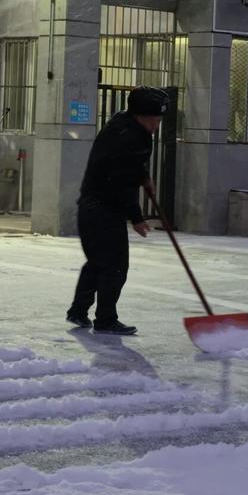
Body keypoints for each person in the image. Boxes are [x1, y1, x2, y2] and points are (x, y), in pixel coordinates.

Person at [66, 85, 169, 335]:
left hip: (92, 207)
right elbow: (121, 181)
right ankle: (105, 320)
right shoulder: (130, 137)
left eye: (159, 120)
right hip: (104, 210)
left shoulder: (122, 127)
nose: (156, 126)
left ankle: (79, 311)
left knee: (98, 263)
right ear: (140, 116)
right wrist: (136, 217)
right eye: (153, 120)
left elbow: (129, 166)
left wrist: (144, 177)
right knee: (115, 267)